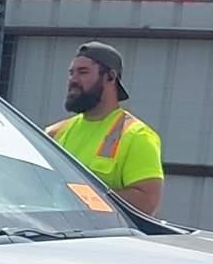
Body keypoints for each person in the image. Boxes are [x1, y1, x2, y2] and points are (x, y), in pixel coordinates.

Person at [45, 41, 163, 215]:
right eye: (71, 73)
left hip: (102, 239)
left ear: (110, 76)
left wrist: (84, 198)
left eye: (83, 72)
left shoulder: (137, 135)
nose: (74, 80)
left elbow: (147, 202)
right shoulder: (54, 133)